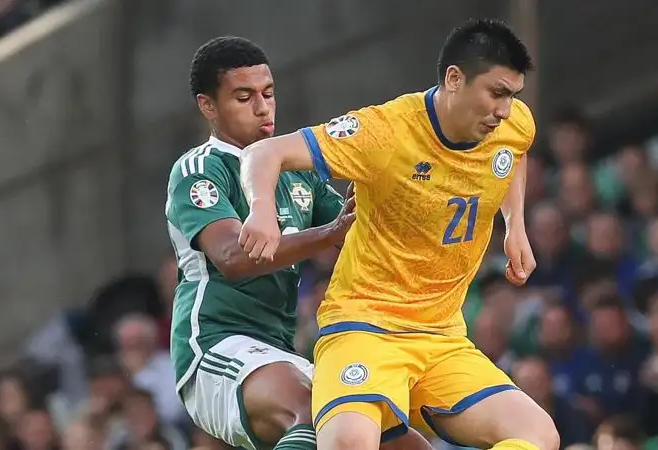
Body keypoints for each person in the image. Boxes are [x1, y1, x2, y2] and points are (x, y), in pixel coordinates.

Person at [238, 19, 560, 450]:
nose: (504, 109)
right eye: (496, 92)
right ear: (454, 79)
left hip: (441, 338)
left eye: (512, 96)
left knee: (539, 435)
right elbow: (265, 152)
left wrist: (514, 226)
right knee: (348, 444)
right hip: (365, 327)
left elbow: (513, 154)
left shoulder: (513, 123)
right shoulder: (385, 132)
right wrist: (262, 209)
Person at [165, 36, 432, 450]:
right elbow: (233, 256)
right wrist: (328, 233)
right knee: (309, 413)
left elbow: (359, 234)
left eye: (268, 93)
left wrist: (401, 190)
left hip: (281, 349)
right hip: (216, 343)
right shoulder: (200, 169)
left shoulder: (296, 171)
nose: (262, 107)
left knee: (401, 444)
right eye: (244, 97)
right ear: (208, 106)